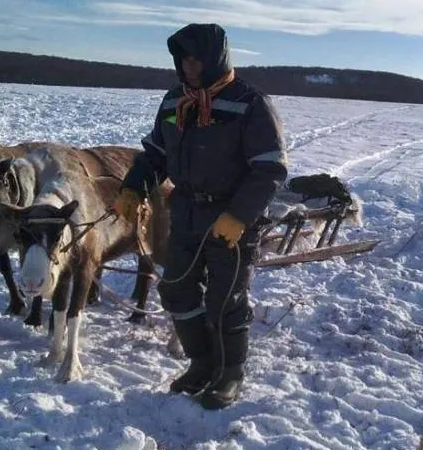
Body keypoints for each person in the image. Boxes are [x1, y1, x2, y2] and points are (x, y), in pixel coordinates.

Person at [113, 23, 287, 409]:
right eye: (183, 59)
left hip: (231, 219)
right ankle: (201, 364)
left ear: (216, 58)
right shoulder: (176, 101)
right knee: (175, 289)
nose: (189, 66)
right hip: (186, 212)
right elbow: (157, 153)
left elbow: (270, 169)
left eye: (197, 59)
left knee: (226, 299)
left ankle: (229, 374)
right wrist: (134, 185)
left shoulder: (250, 103)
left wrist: (239, 216)